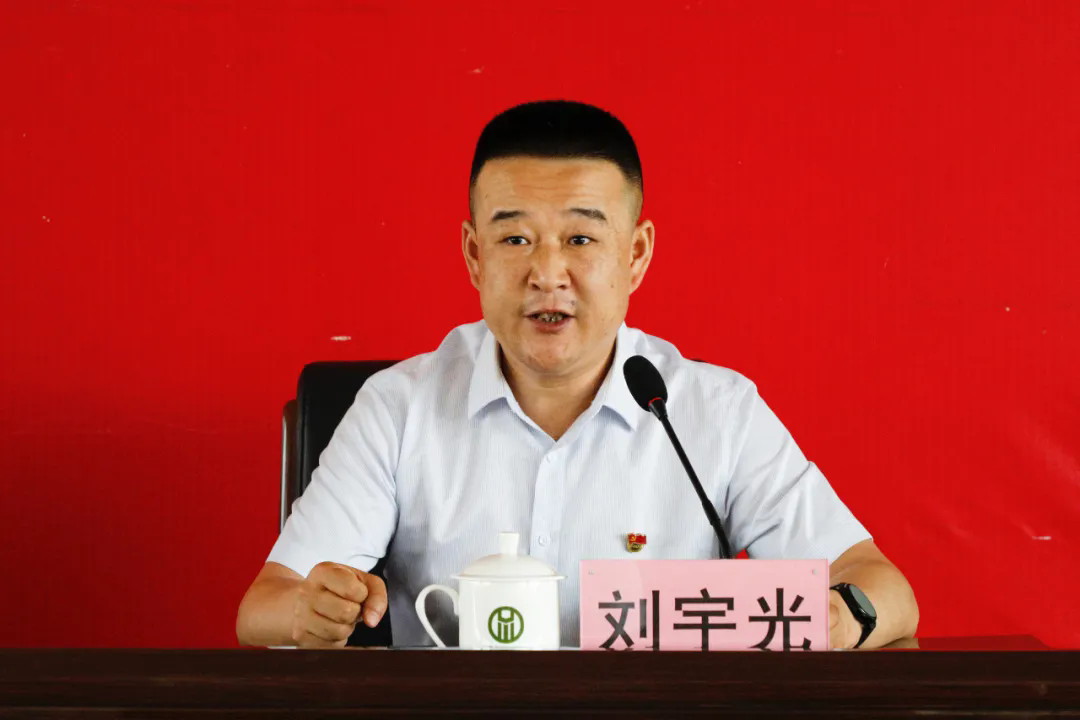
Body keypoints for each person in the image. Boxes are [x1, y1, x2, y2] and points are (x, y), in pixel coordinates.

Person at [236, 100, 918, 650]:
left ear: (637, 254)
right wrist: (308, 611)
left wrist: (836, 618)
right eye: (514, 239)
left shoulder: (714, 412)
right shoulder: (398, 407)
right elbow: (263, 606)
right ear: (474, 255)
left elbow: (883, 588)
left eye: (581, 239)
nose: (547, 273)